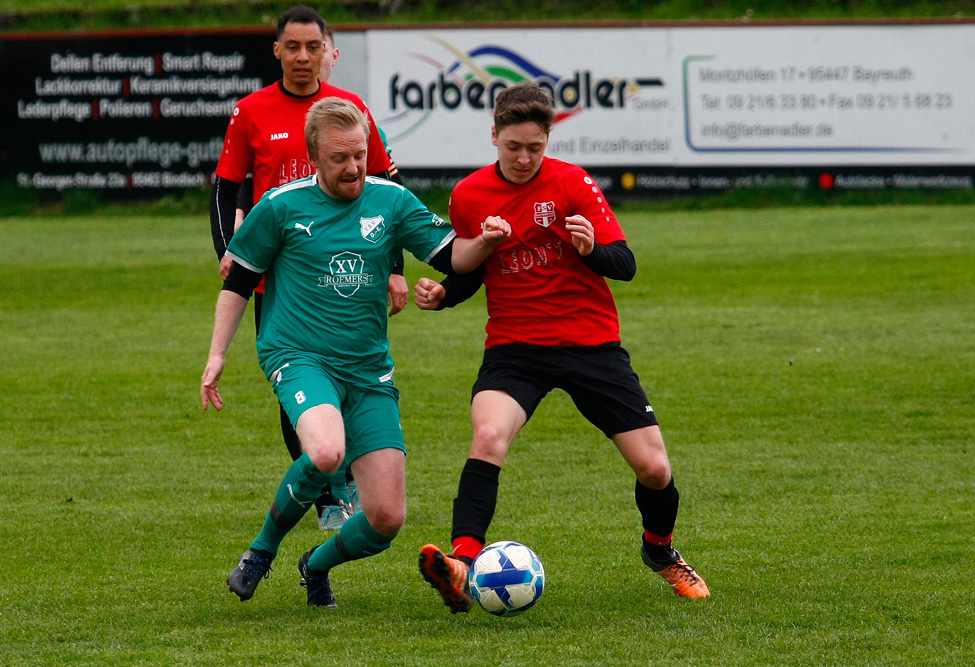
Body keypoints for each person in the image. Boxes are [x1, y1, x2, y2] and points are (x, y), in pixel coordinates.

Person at [201, 97, 511, 608]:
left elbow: (453, 254)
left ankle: (315, 565)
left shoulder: (390, 201)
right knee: (325, 453)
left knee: (387, 518)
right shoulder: (280, 206)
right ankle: (259, 553)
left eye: (360, 155)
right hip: (297, 354)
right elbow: (239, 282)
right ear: (314, 156)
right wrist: (217, 355)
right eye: (339, 158)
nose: (353, 167)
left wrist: (486, 240)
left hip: (368, 371)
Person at [415, 82, 710, 612]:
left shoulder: (572, 184)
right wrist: (444, 294)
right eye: (513, 147)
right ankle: (461, 564)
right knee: (487, 436)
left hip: (590, 345)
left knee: (655, 470)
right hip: (515, 348)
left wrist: (592, 250)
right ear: (494, 138)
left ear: (548, 139)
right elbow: (472, 269)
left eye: (535, 147)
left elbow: (626, 263)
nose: (524, 158)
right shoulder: (469, 195)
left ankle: (660, 552)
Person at [209, 6, 406, 531]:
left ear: (328, 51)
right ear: (277, 50)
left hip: (343, 270)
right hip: (278, 275)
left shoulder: (350, 109)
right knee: (294, 384)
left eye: (312, 47)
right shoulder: (251, 110)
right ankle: (328, 495)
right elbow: (227, 187)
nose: (302, 56)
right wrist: (227, 252)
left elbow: (388, 189)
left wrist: (393, 267)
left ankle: (342, 482)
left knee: (347, 370)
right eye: (292, 47)